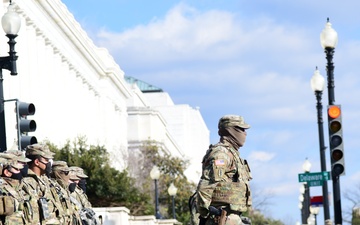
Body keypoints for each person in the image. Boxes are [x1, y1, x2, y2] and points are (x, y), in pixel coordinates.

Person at [196, 115, 253, 225]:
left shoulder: (233, 154)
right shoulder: (221, 154)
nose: (245, 133)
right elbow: (206, 186)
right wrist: (206, 215)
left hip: (232, 217)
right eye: (241, 129)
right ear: (230, 130)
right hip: (220, 218)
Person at [23, 143, 64, 224]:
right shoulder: (26, 183)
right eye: (46, 160)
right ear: (37, 162)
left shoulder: (46, 180)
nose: (49, 163)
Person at [0, 153, 31, 224]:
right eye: (17, 169)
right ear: (7, 172)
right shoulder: (2, 189)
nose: (20, 172)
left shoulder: (19, 187)